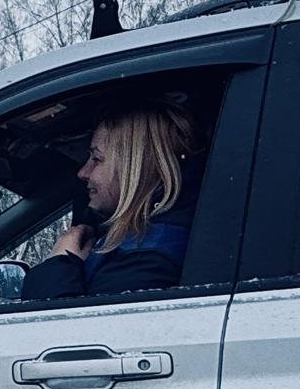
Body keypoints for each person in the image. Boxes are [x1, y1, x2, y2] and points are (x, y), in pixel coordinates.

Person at [23, 98, 198, 301]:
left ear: (136, 169)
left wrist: (60, 263)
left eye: (96, 159)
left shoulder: (145, 262)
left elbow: (68, 330)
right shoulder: (143, 241)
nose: (83, 172)